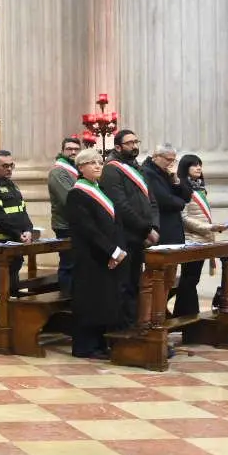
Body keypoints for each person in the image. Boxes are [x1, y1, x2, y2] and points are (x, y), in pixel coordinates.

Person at [63, 149, 126, 359]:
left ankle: (99, 343)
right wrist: (112, 250)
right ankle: (84, 346)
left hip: (106, 256)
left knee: (104, 300)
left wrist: (116, 250)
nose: (98, 166)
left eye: (100, 162)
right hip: (89, 256)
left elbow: (114, 222)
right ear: (81, 168)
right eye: (92, 163)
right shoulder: (77, 194)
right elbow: (88, 229)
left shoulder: (100, 189)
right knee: (90, 301)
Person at [98, 128, 158, 326]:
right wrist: (146, 229)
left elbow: (152, 200)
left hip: (143, 234)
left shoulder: (137, 167)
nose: (134, 146)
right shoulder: (112, 169)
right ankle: (126, 328)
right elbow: (120, 205)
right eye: (129, 143)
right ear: (117, 147)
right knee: (126, 284)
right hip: (126, 235)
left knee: (139, 282)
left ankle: (138, 322)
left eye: (136, 142)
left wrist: (154, 225)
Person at [176, 154, 228, 317]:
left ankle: (184, 315)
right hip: (191, 239)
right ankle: (188, 316)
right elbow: (184, 218)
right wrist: (210, 227)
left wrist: (212, 227)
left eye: (200, 164)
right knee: (189, 280)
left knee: (192, 280)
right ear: (185, 168)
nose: (198, 168)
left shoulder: (199, 188)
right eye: (194, 165)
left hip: (203, 238)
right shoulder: (182, 188)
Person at [0, 149, 36, 298]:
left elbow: (22, 211)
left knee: (14, 274)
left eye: (11, 165)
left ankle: (13, 308)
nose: (9, 169)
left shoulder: (13, 186)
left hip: (16, 239)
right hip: (1, 240)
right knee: (1, 278)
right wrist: (18, 233)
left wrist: (28, 229)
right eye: (5, 166)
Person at [46, 136, 83, 293]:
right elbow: (69, 200)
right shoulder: (59, 172)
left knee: (78, 264)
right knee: (68, 264)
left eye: (76, 149)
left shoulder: (77, 169)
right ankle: (66, 297)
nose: (73, 152)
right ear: (62, 151)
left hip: (77, 224)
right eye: (69, 149)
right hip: (65, 225)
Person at [141, 143, 191, 247]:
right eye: (168, 159)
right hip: (162, 227)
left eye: (174, 160)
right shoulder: (147, 172)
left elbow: (187, 197)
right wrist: (181, 203)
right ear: (156, 157)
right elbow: (163, 200)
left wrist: (176, 180)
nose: (171, 163)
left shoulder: (167, 172)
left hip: (173, 227)